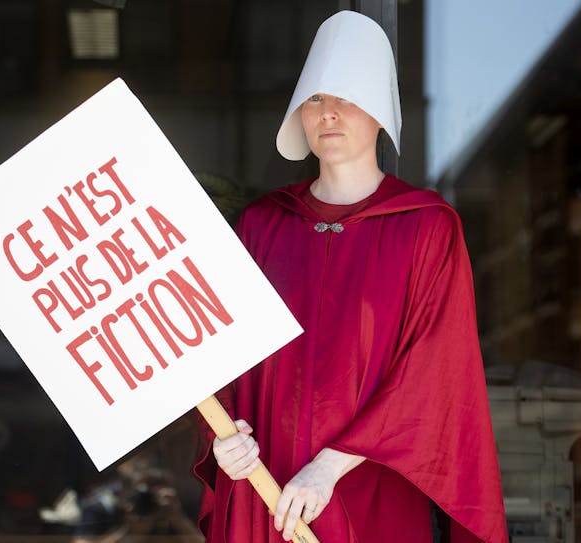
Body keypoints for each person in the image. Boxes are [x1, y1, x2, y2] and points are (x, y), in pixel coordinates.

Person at [193, 10, 508, 543]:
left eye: (347, 97)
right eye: (315, 99)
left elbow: (434, 375)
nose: (329, 114)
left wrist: (329, 467)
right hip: (265, 490)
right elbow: (220, 354)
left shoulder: (426, 229)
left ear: (380, 113)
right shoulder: (262, 225)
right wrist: (223, 438)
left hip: (371, 495)